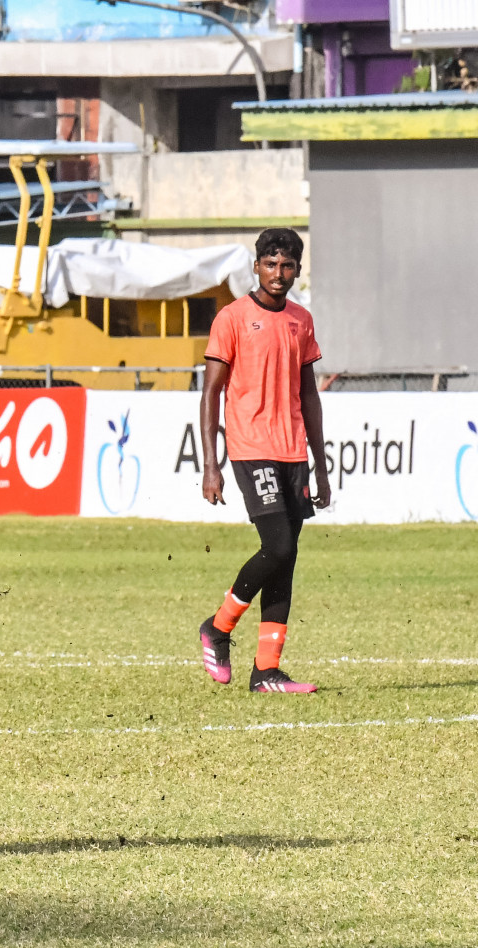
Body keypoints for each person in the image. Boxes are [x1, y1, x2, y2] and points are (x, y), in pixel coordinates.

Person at [197, 228, 330, 695]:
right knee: (278, 547)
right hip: (251, 448)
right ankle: (218, 627)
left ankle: (267, 672)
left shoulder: (301, 320)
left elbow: (309, 395)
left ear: (297, 269)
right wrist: (211, 465)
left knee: (285, 561)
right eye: (271, 263)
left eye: (288, 265)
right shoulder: (231, 318)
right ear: (256, 267)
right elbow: (211, 392)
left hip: (293, 451)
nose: (279, 273)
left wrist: (321, 464)